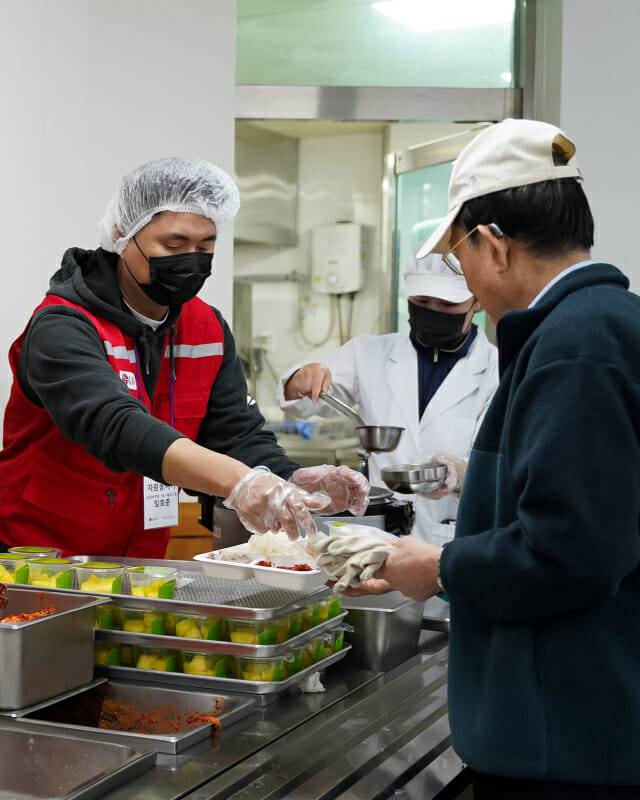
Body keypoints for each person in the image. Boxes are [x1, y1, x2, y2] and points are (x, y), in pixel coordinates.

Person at [349, 118, 640, 798]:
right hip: (576, 727)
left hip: (570, 746)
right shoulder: (591, 327)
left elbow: (572, 553)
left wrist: (438, 567)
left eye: (460, 260)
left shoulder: (579, 345)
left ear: (492, 245)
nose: (468, 287)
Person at [0, 157, 367, 557]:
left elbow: (233, 433)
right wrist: (239, 482)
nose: (191, 259)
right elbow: (116, 425)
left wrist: (290, 476)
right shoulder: (62, 326)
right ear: (124, 233)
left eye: (205, 246)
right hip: (36, 557)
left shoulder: (205, 326)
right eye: (174, 245)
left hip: (138, 558)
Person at [278, 254, 498, 543]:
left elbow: (503, 471)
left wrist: (461, 474)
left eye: (446, 305)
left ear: (477, 300)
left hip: (452, 536)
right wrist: (301, 379)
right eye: (422, 302)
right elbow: (304, 404)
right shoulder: (368, 353)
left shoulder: (499, 370)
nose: (433, 311)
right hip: (377, 533)